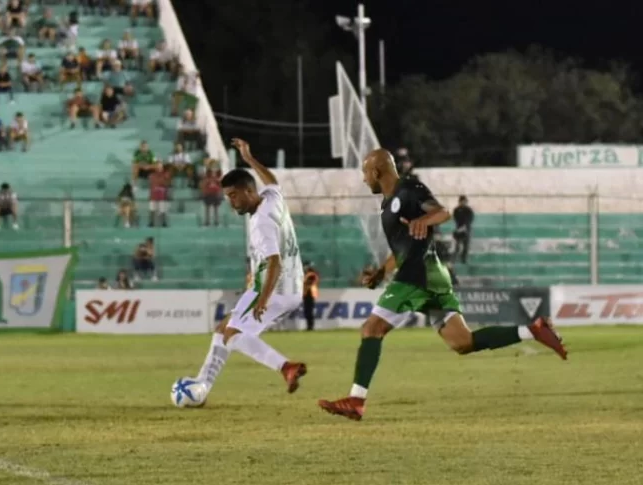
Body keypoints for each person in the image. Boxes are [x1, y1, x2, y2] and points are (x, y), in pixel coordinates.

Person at [317, 148, 568, 421]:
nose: (364, 179)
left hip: (418, 274)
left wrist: (423, 220)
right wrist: (380, 272)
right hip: (430, 274)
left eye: (365, 173)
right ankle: (533, 330)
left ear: (376, 172)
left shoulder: (409, 188)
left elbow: (442, 212)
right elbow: (402, 250)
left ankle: (356, 401)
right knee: (463, 342)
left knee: (371, 329)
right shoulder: (387, 205)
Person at [192, 138, 306, 402]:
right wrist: (250, 159)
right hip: (291, 287)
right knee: (223, 329)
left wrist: (263, 300)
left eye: (234, 195)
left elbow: (274, 262)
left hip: (273, 289)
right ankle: (201, 386)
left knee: (232, 335)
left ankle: (286, 367)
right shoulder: (272, 198)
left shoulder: (260, 223)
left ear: (248, 191)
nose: (231, 202)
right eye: (227, 197)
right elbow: (272, 182)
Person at [452, 195, 474, 263]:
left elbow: (470, 220)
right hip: (459, 229)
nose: (463, 203)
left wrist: (465, 226)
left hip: (467, 229)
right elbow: (456, 219)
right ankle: (455, 259)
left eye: (465, 201)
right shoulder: (456, 210)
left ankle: (464, 259)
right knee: (457, 245)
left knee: (466, 246)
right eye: (462, 201)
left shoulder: (469, 210)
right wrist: (459, 228)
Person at [303, 262, 319, 331]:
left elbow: (309, 283)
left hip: (310, 293)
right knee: (307, 311)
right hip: (307, 294)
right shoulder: (308, 274)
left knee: (309, 311)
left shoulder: (311, 274)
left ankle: (310, 326)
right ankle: (309, 326)